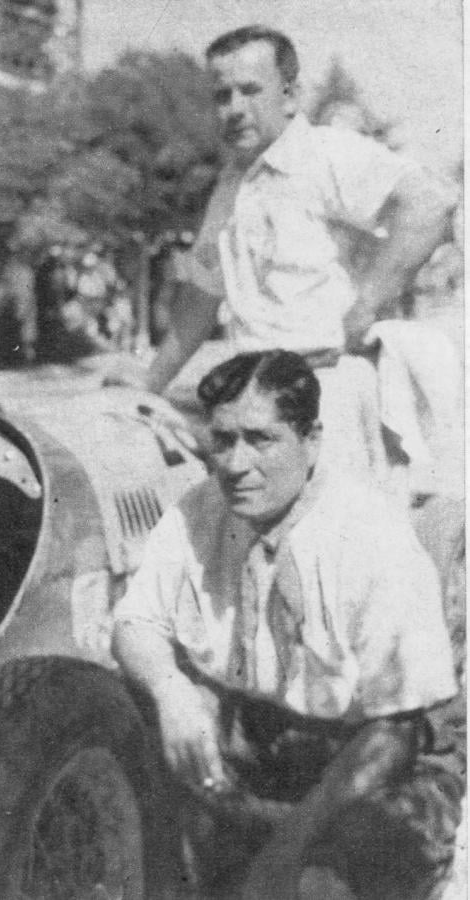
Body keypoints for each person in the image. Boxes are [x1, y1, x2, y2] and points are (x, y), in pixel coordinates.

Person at [112, 350, 464, 900]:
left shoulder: (371, 535)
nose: (235, 463)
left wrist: (284, 858)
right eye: (223, 440)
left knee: (317, 885)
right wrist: (170, 689)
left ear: (312, 439)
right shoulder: (199, 511)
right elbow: (134, 622)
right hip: (261, 743)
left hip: (381, 764)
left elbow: (393, 734)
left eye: (261, 439)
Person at [139, 26, 456, 483]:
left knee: (336, 538)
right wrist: (148, 384)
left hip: (326, 388)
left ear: (290, 95)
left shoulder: (325, 154)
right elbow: (201, 298)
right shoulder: (230, 187)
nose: (234, 109)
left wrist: (365, 305)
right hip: (254, 395)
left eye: (250, 90)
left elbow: (431, 202)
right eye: (222, 95)